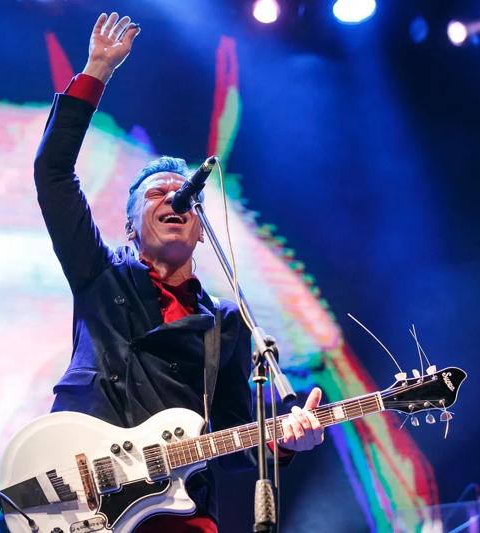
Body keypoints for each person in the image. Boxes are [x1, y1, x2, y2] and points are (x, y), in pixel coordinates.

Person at [34, 12, 325, 532]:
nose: (175, 199)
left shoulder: (225, 323)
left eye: (184, 195)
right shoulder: (100, 274)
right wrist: (96, 73)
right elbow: (53, 173)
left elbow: (235, 436)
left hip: (179, 511)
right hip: (86, 498)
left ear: (200, 229)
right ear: (130, 227)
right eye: (156, 194)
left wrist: (285, 444)